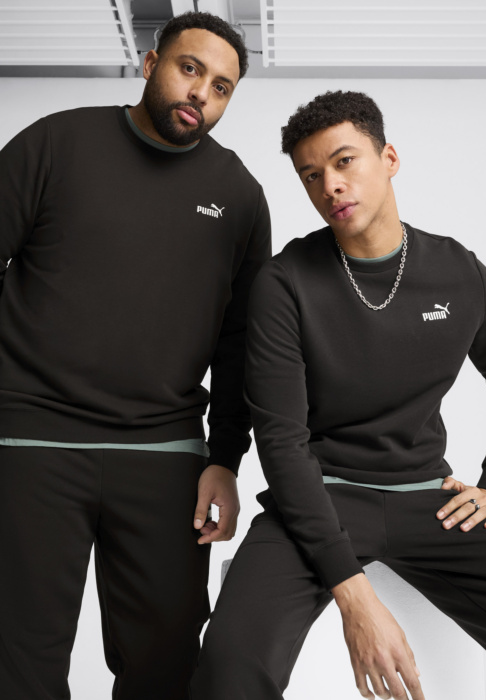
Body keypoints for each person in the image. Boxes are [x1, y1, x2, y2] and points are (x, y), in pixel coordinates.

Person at [190, 90, 486, 700]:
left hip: (429, 501)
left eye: (344, 161)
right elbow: (282, 441)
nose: (329, 184)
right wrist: (354, 598)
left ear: (389, 158)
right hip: (316, 500)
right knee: (230, 664)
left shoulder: (457, 272)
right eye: (311, 175)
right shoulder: (284, 282)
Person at [0, 11, 271, 700]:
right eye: (190, 69)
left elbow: (242, 342)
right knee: (18, 662)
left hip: (165, 455)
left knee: (167, 665)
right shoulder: (56, 144)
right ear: (151, 65)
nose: (201, 92)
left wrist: (225, 458)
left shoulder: (239, 195)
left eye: (222, 86)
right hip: (32, 442)